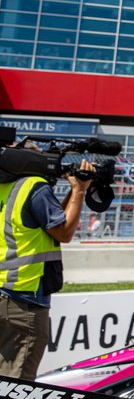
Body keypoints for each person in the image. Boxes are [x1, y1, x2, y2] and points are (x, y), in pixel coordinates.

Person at [0, 158, 95, 380]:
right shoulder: (34, 186)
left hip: (5, 292)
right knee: (17, 388)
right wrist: (79, 191)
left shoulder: (7, 187)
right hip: (23, 301)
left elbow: (49, 223)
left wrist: (73, 192)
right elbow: (63, 233)